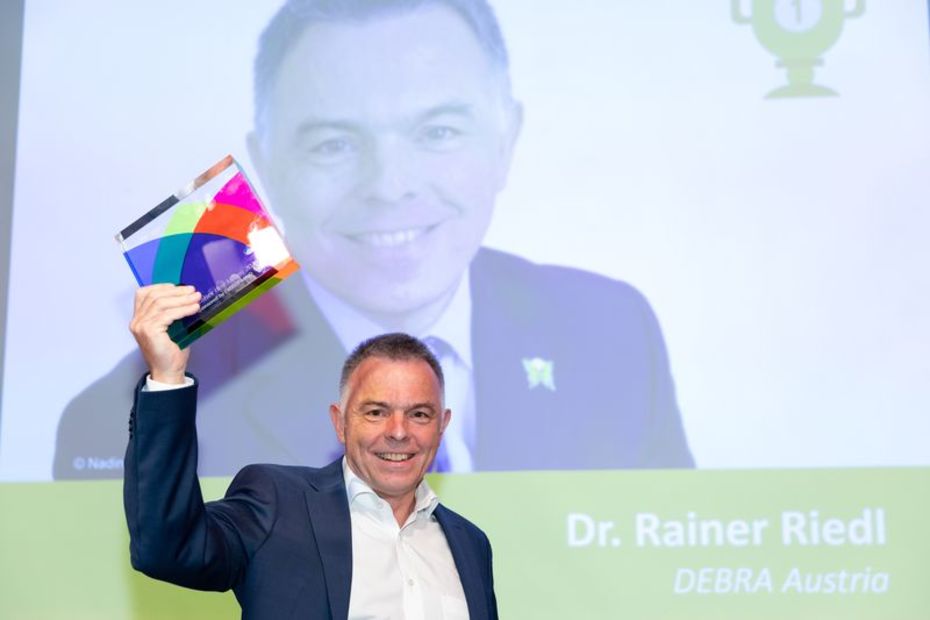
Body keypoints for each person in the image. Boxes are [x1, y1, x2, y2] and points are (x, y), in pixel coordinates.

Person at [55, 0, 693, 479]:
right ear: (267, 166)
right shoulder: (130, 421)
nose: (389, 187)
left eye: (438, 132)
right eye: (334, 143)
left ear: (505, 141)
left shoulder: (613, 334)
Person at [125, 283, 498, 619]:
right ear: (340, 422)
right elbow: (168, 549)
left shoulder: (470, 544)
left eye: (419, 414)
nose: (398, 432)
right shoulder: (278, 505)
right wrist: (167, 376)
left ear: (442, 425)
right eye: (375, 412)